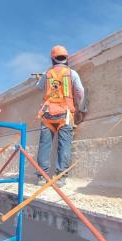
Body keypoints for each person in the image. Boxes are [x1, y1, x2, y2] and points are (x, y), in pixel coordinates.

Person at [34, 45, 86, 187]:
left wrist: (39, 79)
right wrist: (82, 108)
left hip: (47, 114)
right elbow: (80, 91)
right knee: (64, 145)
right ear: (66, 58)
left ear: (52, 59)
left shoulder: (48, 73)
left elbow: (38, 87)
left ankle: (41, 177)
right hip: (65, 114)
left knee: (45, 145)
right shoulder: (72, 73)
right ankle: (61, 178)